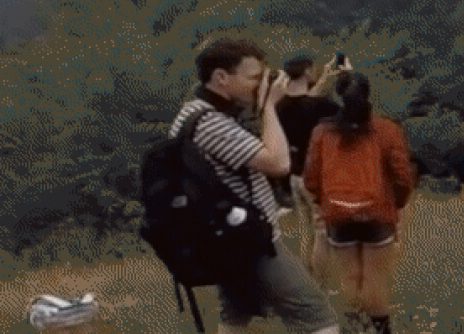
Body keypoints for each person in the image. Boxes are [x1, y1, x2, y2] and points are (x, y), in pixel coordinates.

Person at [167, 38, 339, 334]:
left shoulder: (192, 113)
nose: (260, 84)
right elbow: (278, 163)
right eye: (254, 78)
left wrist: (264, 104)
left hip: (222, 238)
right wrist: (271, 106)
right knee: (316, 315)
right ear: (222, 77)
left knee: (236, 314)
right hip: (250, 242)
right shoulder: (211, 123)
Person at [302, 71, 416, 334]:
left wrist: (322, 202)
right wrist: (397, 204)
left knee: (350, 274)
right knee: (374, 277)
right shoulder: (388, 130)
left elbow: (311, 174)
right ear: (367, 95)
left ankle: (356, 324)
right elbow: (402, 175)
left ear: (338, 98)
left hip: (338, 212)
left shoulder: (322, 132)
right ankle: (380, 328)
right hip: (377, 213)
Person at [278, 54, 346, 283]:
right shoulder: (321, 106)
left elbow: (304, 102)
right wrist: (343, 79)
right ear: (308, 72)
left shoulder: (279, 106)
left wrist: (326, 77)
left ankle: (305, 277)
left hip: (294, 176)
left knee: (306, 230)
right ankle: (318, 284)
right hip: (316, 176)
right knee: (322, 232)